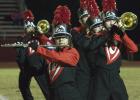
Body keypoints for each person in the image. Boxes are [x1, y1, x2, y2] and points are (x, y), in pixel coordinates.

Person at [29, 5, 83, 100]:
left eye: (64, 37)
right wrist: (39, 35)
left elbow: (57, 57)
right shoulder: (54, 48)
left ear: (69, 39)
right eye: (58, 38)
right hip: (54, 93)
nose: (61, 40)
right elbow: (48, 43)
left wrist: (38, 48)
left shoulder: (73, 53)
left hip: (69, 94)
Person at [16, 10, 50, 100]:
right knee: (23, 86)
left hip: (39, 67)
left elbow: (47, 42)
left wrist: (38, 33)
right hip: (27, 68)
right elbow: (19, 55)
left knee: (47, 90)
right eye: (27, 25)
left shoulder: (39, 36)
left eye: (30, 24)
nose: (29, 28)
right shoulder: (22, 39)